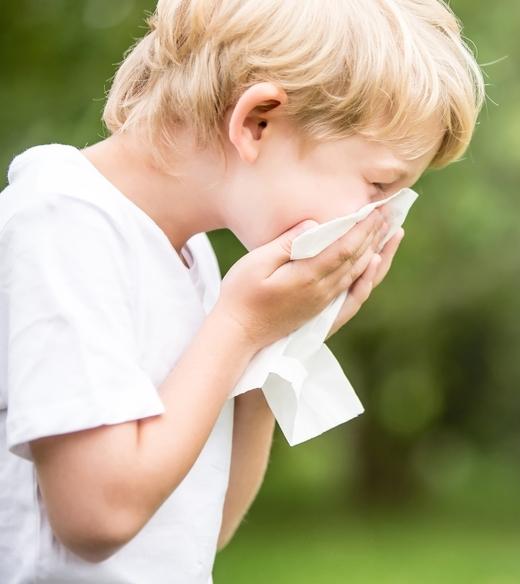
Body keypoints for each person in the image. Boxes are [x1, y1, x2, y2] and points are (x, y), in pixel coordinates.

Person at [0, 0, 484, 581]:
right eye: (378, 184)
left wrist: (272, 345)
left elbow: (204, 530)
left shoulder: (189, 255)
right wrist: (240, 328)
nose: (378, 219)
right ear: (257, 122)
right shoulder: (63, 220)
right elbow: (99, 516)